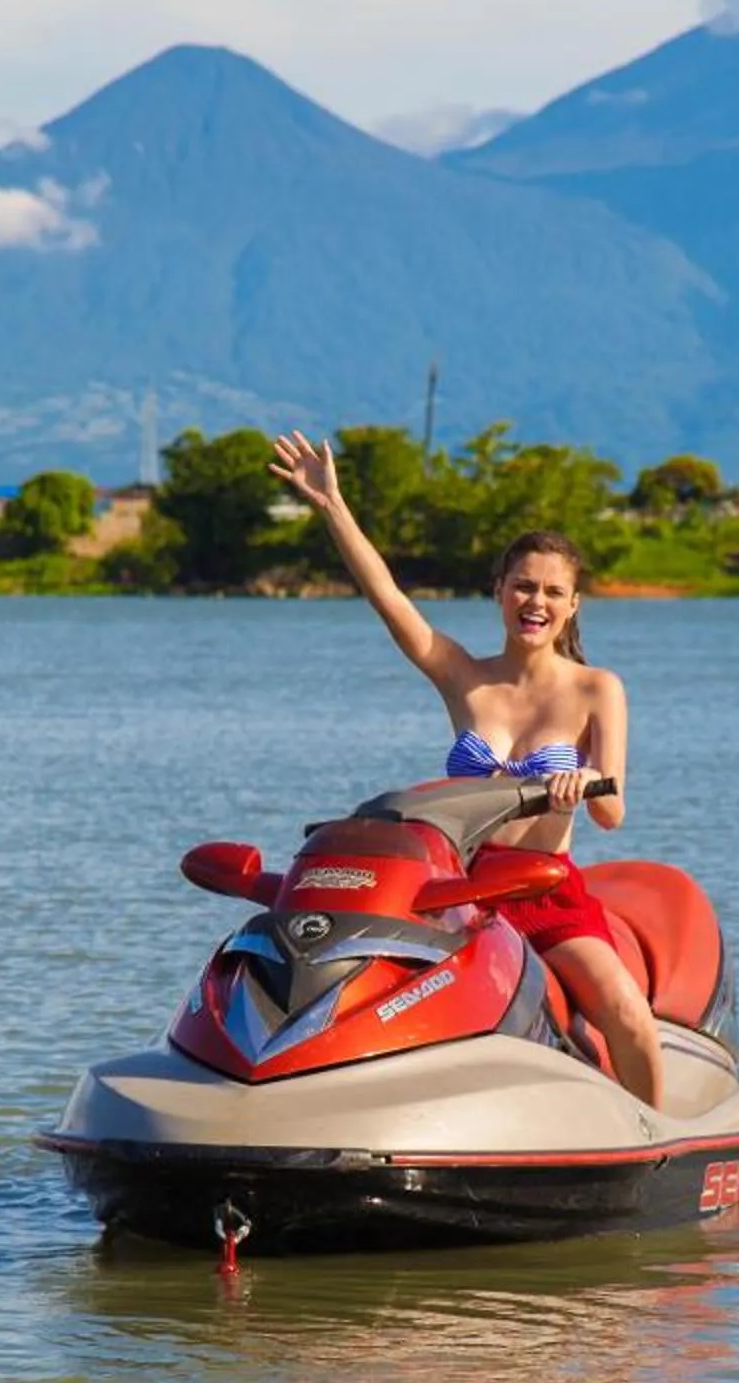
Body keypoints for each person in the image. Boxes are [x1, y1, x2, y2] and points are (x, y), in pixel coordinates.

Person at [267, 429, 664, 1109]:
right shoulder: (464, 678)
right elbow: (389, 601)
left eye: (551, 591)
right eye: (522, 587)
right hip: (460, 896)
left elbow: (613, 810)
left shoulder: (599, 688)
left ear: (573, 605)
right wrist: (331, 504)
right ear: (499, 592)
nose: (534, 603)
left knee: (627, 1014)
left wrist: (573, 792)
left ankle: (660, 1138)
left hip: (545, 895)